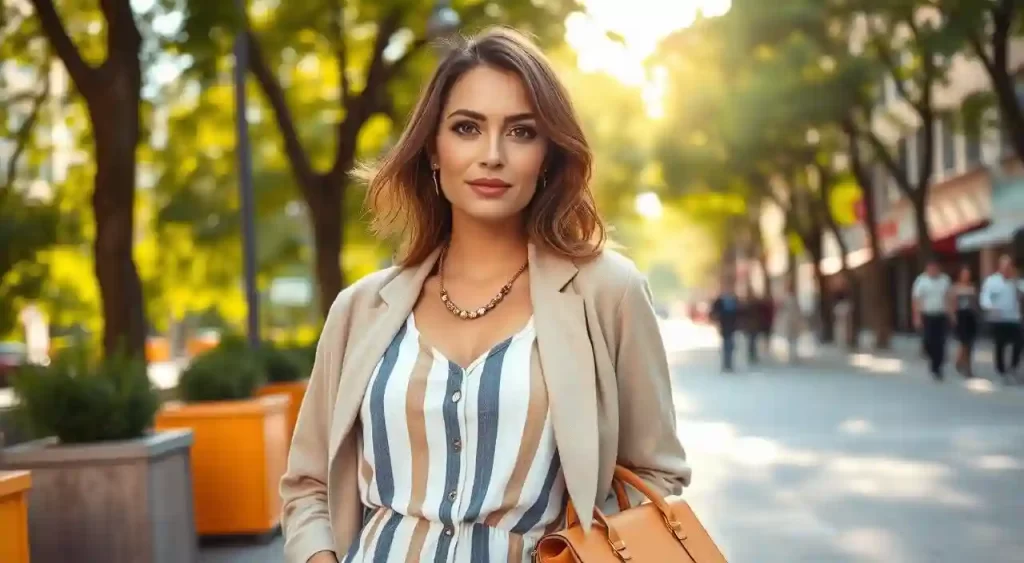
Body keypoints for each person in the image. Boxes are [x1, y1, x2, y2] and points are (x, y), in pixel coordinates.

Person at [279, 28, 691, 563]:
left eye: (521, 132)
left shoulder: (608, 294)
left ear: (546, 156)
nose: (492, 155)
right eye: (467, 128)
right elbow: (307, 484)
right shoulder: (361, 309)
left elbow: (655, 471)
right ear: (433, 147)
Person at [980, 255, 1024, 383]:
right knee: (1000, 345)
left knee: (1019, 342)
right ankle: (1001, 370)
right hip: (998, 318)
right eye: (1004, 266)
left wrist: (1015, 283)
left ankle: (1013, 367)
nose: (1007, 269)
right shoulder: (992, 281)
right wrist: (989, 307)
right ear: (999, 267)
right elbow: (985, 297)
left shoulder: (1017, 281)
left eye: (1009, 266)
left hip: (1014, 317)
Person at [911, 258, 952, 380]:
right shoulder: (921, 281)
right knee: (928, 340)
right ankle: (930, 355)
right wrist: (916, 316)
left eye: (935, 268)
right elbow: (916, 300)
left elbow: (949, 297)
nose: (933, 271)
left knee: (940, 342)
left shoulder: (945, 280)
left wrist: (951, 314)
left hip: (941, 314)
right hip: (927, 315)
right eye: (931, 269)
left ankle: (937, 367)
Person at [950, 265, 978, 378]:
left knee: (970, 343)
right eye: (964, 274)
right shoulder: (955, 288)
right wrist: (953, 317)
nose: (966, 276)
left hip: (970, 316)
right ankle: (964, 364)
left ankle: (965, 363)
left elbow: (975, 304)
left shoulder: (972, 287)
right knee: (964, 342)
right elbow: (952, 304)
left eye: (968, 274)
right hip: (960, 317)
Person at [710, 277, 741, 372]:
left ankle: (729, 363)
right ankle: (726, 363)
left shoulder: (734, 299)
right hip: (724, 324)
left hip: (732, 325)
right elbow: (713, 312)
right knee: (726, 343)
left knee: (730, 344)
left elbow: (739, 312)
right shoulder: (720, 300)